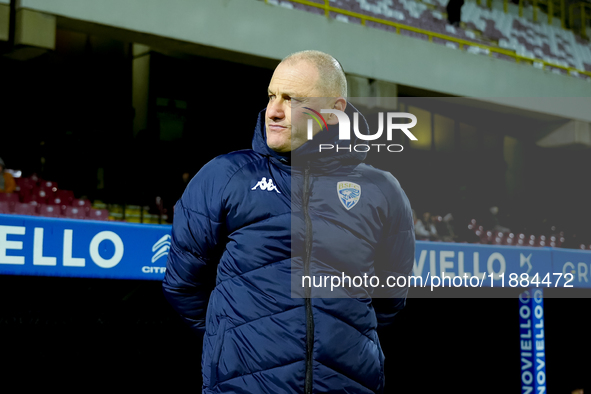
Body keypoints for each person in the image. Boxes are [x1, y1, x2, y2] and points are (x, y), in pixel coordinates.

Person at [162, 50, 415, 394]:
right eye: (271, 96)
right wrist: (235, 339)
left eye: (292, 99)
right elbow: (183, 284)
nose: (274, 111)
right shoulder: (224, 176)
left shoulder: (382, 190)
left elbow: (389, 298)